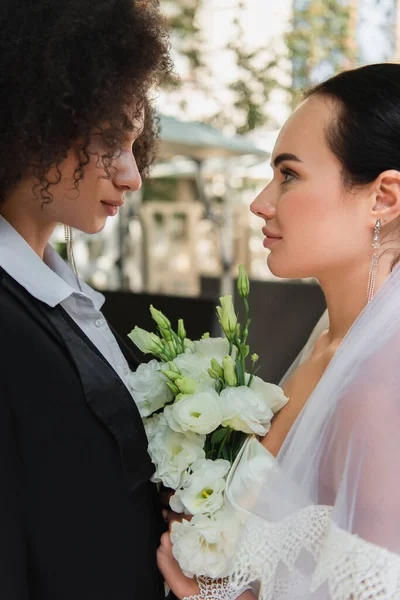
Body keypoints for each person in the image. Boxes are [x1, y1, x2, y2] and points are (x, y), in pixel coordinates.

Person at [157, 62, 400, 599]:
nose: (261, 202)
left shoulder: (381, 386)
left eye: (289, 174)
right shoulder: (329, 343)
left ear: (383, 197)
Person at [0, 0, 171, 597]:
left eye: (134, 144)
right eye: (108, 143)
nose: (132, 175)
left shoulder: (59, 296)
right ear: (34, 122)